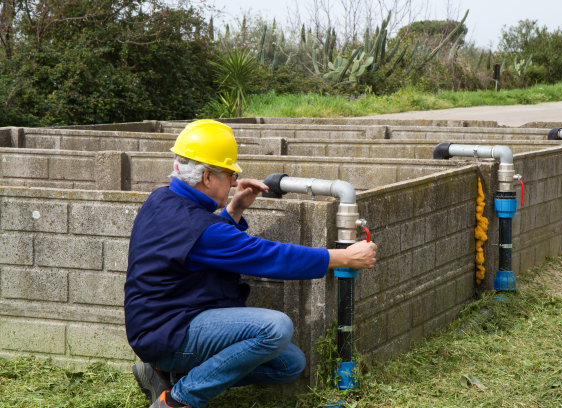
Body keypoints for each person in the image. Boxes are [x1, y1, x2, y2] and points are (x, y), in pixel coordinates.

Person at [124, 119, 377, 408]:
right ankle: (178, 400)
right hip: (168, 332)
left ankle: (162, 372)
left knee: (290, 364)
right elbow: (269, 256)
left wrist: (235, 207)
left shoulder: (162, 199)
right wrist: (344, 256)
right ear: (207, 177)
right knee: (275, 328)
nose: (234, 182)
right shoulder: (202, 229)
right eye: (229, 174)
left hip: (164, 323)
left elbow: (196, 242)